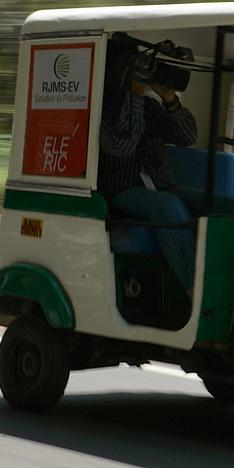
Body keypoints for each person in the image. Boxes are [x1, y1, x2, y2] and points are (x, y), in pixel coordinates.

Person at [98, 38, 199, 291]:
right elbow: (122, 146)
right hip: (122, 191)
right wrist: (134, 94)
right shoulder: (99, 110)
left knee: (230, 206)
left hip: (164, 186)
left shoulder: (151, 107)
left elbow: (188, 138)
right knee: (169, 208)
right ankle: (195, 291)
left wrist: (169, 98)